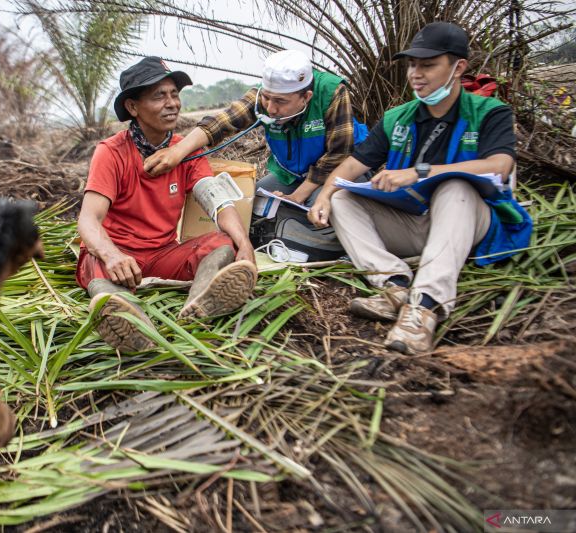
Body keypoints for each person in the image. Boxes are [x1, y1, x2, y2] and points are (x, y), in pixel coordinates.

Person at [307, 22, 532, 354]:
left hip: (472, 225)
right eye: (412, 65)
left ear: (459, 67)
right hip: (416, 225)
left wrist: (419, 172)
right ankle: (393, 285)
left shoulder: (489, 113)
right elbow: (353, 166)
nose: (416, 73)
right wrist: (324, 195)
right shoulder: (397, 118)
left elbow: (499, 166)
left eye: (428, 65)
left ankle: (424, 307)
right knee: (344, 199)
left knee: (456, 187)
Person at [77, 56, 257, 353]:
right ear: (133, 107)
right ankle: (131, 324)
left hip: (162, 254)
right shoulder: (111, 152)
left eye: (175, 94)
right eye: (159, 96)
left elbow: (218, 203)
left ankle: (197, 307)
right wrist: (112, 256)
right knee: (96, 263)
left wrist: (244, 243)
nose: (172, 103)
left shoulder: (186, 150)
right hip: (119, 256)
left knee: (223, 243)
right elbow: (88, 220)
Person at [144, 49, 367, 210]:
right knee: (249, 203)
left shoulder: (332, 93)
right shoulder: (263, 96)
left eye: (280, 102)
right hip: (291, 174)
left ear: (305, 97)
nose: (270, 108)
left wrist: (298, 196)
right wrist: (177, 151)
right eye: (267, 98)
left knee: (324, 206)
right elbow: (222, 122)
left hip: (339, 171)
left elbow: (339, 154)